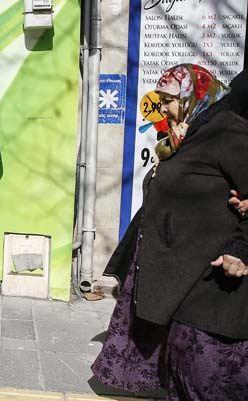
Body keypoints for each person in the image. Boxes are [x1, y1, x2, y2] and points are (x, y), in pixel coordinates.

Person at [92, 65, 248, 400]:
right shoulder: (186, 133)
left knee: (205, 370)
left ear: (194, 96)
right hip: (180, 267)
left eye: (168, 101)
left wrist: (241, 248)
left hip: (209, 274)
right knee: (178, 363)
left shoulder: (227, 132)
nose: (162, 108)